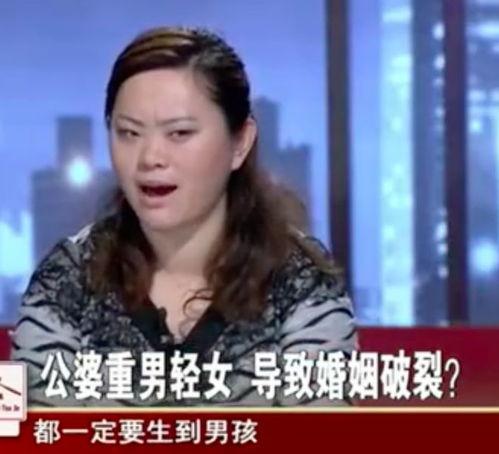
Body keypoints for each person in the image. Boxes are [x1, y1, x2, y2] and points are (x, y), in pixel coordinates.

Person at [11, 26, 357, 407]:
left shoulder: (299, 282)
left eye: (178, 133)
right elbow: (39, 429)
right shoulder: (68, 279)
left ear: (240, 142)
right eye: (129, 133)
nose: (150, 158)